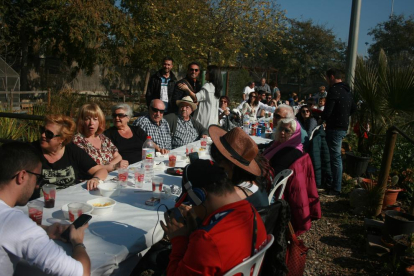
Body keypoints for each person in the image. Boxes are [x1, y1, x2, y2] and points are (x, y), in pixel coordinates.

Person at [161, 159, 267, 275]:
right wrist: (193, 232)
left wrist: (179, 240)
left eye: (191, 202)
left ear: (198, 196)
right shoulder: (252, 211)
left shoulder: (207, 240)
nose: (192, 207)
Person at [0, 142, 91, 276]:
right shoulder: (15, 223)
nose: (37, 186)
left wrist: (44, 229)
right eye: (38, 178)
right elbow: (81, 273)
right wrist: (78, 242)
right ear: (22, 176)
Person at [31, 115, 107, 198]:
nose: (43, 135)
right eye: (42, 130)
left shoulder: (72, 151)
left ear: (62, 139)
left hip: (70, 201)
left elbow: (101, 170)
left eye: (48, 134)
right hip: (42, 204)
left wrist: (96, 179)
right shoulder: (31, 151)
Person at [209, 126, 271, 208]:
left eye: (220, 163)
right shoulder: (255, 182)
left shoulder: (233, 196)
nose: (218, 166)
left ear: (231, 165)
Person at [322, 68, 356, 196]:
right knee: (336, 157)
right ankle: (334, 185)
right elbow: (354, 107)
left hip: (334, 127)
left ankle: (336, 188)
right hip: (342, 127)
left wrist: (323, 118)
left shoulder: (334, 90)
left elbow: (328, 110)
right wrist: (344, 116)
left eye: (327, 78)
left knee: (335, 158)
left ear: (331, 77)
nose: (327, 81)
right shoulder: (347, 90)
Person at [74, 103, 128, 172]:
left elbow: (118, 156)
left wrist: (109, 166)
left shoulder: (103, 138)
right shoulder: (77, 141)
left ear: (99, 121)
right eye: (87, 119)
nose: (91, 123)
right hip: (92, 180)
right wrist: (113, 166)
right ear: (81, 121)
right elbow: (88, 168)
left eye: (95, 119)